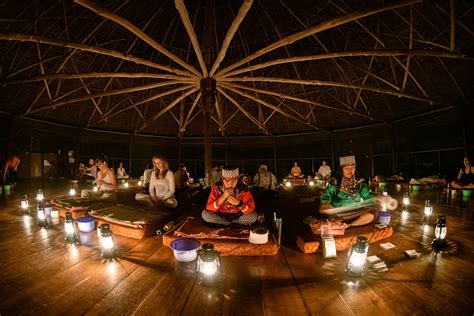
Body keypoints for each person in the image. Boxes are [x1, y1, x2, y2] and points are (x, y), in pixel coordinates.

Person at [319, 155, 384, 228]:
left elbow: (367, 195)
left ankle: (350, 225)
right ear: (341, 169)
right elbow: (326, 195)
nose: (350, 170)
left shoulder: (360, 182)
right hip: (338, 214)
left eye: (352, 168)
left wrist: (376, 198)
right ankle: (341, 224)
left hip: (355, 212)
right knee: (328, 217)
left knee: (374, 212)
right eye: (347, 168)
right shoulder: (335, 182)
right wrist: (325, 204)